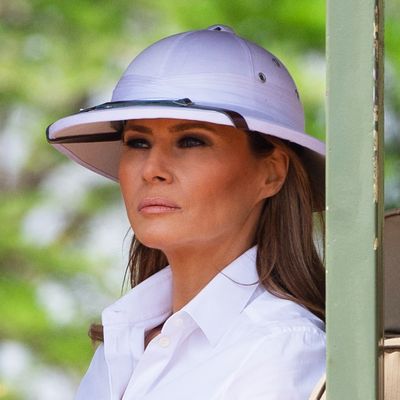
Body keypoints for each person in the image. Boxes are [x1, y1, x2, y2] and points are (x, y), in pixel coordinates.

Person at [47, 24, 326, 400]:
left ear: (271, 172)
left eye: (191, 141)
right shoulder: (123, 343)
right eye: (138, 142)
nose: (151, 169)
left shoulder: (284, 349)